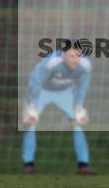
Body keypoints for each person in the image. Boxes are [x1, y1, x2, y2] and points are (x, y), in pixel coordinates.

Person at [21, 42, 95, 174]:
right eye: (71, 56)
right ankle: (28, 164)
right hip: (42, 91)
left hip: (65, 92)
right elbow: (36, 82)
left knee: (77, 124)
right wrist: (32, 106)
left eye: (78, 56)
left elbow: (83, 87)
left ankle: (83, 165)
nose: (75, 60)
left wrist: (78, 106)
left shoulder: (85, 66)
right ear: (63, 55)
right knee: (30, 122)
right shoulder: (51, 63)